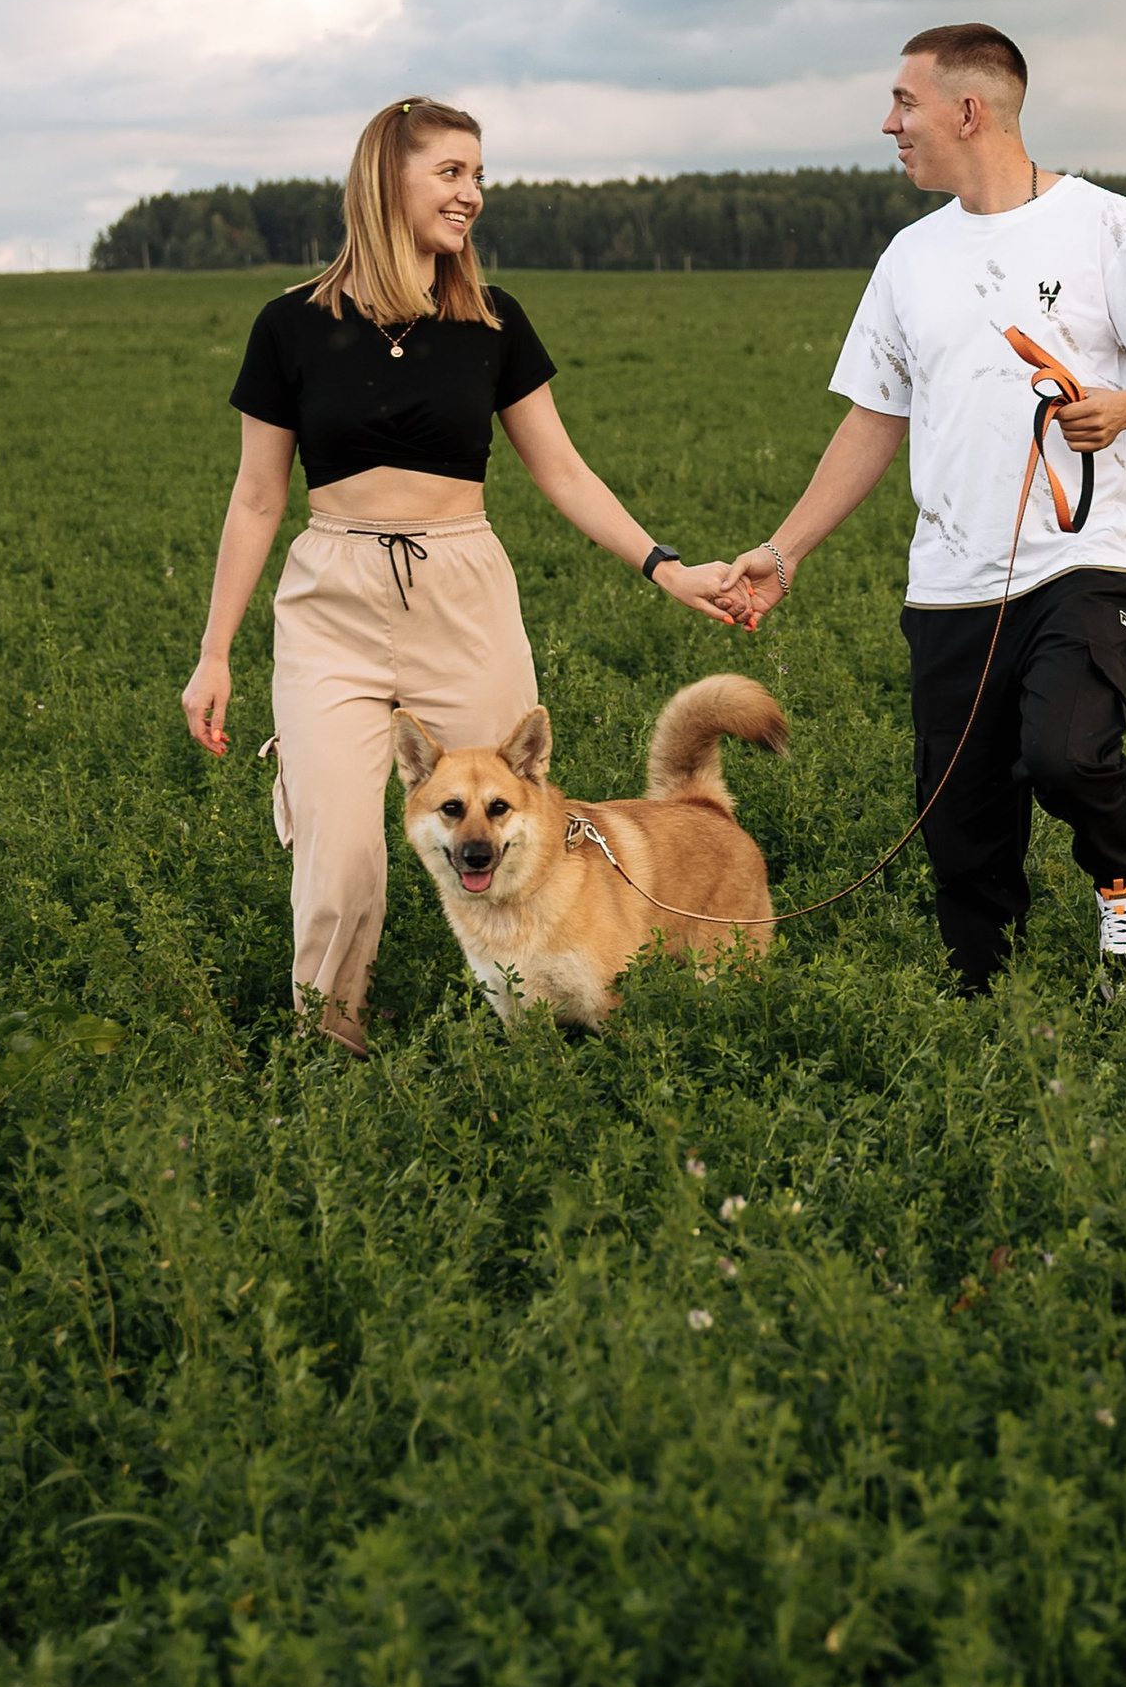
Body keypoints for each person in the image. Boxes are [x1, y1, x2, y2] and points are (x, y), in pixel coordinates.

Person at [181, 94, 735, 1052]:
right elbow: (258, 498)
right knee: (340, 861)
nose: (471, 193)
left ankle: (548, 1037)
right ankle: (332, 1054)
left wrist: (666, 567)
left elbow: (563, 470)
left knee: (519, 833)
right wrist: (215, 652)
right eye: (450, 172)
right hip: (331, 599)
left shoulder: (491, 320)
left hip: (463, 590)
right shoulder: (289, 325)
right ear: (385, 179)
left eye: (478, 175)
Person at [715, 26, 1126, 996]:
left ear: (969, 111)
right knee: (962, 831)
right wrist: (785, 550)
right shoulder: (910, 257)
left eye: (905, 102)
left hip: (1077, 560)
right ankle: (985, 1003)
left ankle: (1125, 884)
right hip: (948, 582)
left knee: (1065, 756)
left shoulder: (1104, 226)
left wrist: (1123, 409)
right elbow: (875, 417)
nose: (889, 123)